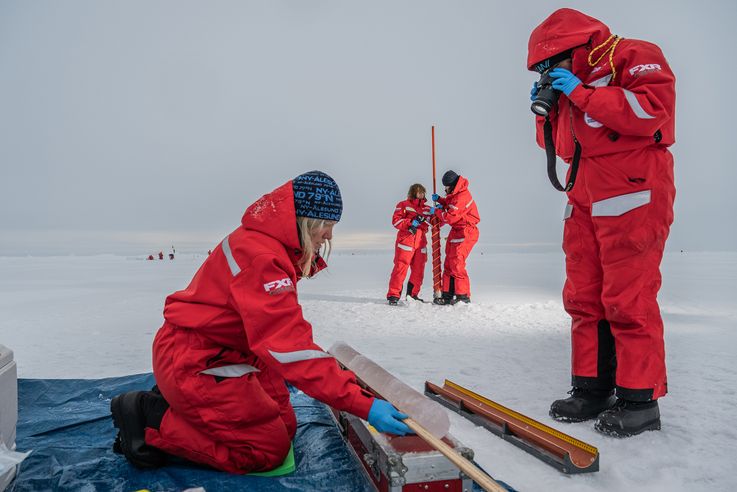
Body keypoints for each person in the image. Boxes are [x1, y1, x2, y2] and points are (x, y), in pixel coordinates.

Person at [110, 171, 412, 472]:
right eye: (327, 225)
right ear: (305, 221)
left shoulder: (267, 244)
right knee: (267, 450)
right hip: (195, 360)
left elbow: (277, 342)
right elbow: (291, 351)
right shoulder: (263, 260)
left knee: (285, 425)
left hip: (225, 353)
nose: (329, 236)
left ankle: (187, 404)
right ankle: (150, 416)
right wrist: (364, 405)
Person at [527, 8, 676, 437]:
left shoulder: (631, 55)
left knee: (628, 298)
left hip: (633, 190)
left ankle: (639, 400)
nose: (547, 70)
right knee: (583, 297)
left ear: (576, 48)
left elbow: (653, 110)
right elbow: (557, 146)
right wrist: (546, 111)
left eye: (550, 62)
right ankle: (592, 389)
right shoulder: (566, 85)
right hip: (584, 195)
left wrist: (583, 93)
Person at [431, 170, 480, 305]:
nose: (445, 189)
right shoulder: (456, 194)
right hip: (456, 231)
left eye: (446, 186)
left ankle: (462, 296)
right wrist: (440, 200)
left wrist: (437, 211)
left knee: (457, 264)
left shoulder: (462, 197)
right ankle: (448, 294)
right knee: (449, 264)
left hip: (466, 231)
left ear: (452, 185)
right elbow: (449, 202)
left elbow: (450, 217)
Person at [386, 183, 431, 305]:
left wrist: (437, 213)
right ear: (413, 193)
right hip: (406, 241)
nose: (421, 194)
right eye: (419, 192)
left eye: (423, 192)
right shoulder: (403, 205)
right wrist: (411, 222)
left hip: (421, 242)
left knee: (418, 270)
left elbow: (435, 223)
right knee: (400, 268)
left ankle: (413, 295)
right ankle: (393, 295)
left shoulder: (427, 209)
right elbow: (396, 221)